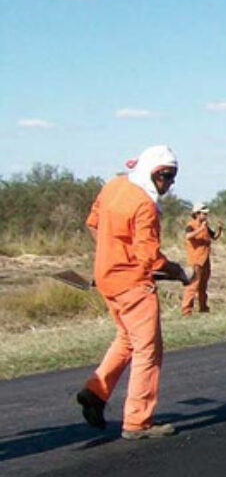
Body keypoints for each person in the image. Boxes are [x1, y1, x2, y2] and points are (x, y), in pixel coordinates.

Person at [75, 145, 190, 440]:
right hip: (133, 285)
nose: (168, 183)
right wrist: (178, 271)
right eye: (164, 176)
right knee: (148, 350)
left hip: (107, 278)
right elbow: (151, 256)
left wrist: (112, 255)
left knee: (128, 338)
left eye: (172, 177)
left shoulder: (114, 185)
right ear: (151, 172)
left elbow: (94, 224)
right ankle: (138, 422)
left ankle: (95, 392)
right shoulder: (144, 205)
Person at [181, 203, 223, 315]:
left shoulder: (205, 226)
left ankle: (203, 308)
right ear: (197, 214)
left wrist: (219, 229)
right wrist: (200, 229)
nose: (206, 215)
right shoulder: (191, 225)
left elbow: (214, 237)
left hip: (205, 259)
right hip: (196, 260)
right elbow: (188, 236)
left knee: (203, 285)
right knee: (193, 285)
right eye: (204, 213)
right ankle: (186, 310)